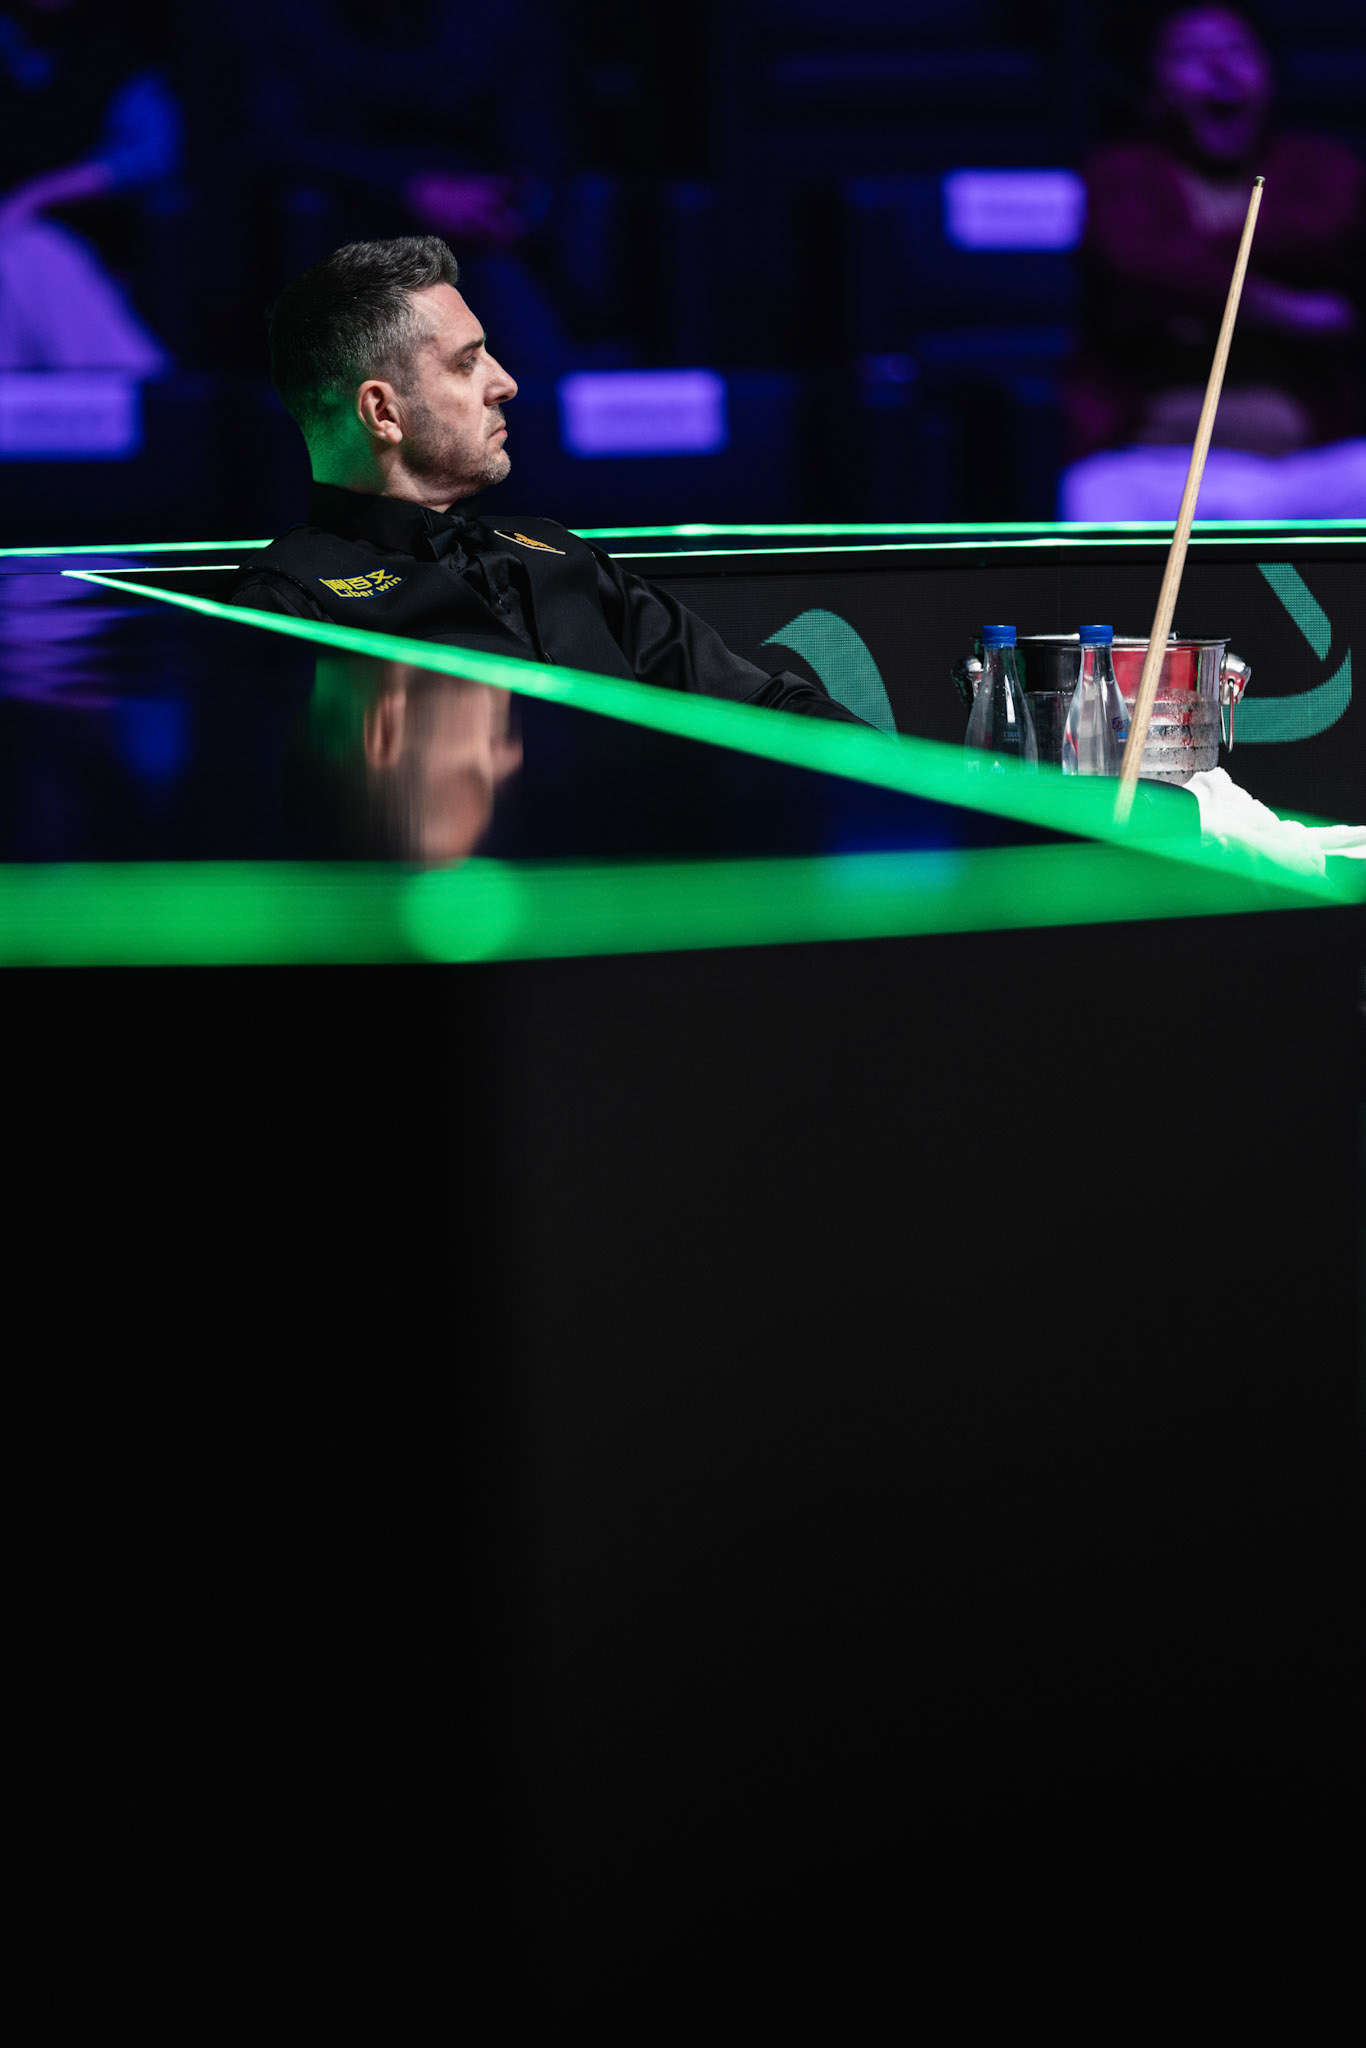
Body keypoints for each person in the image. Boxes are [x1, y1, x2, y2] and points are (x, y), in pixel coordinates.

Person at [232, 237, 865, 724]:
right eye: (466, 363)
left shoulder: (556, 551)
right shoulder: (293, 607)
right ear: (383, 412)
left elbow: (766, 705)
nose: (504, 382)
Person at [1059, 4, 1366, 520]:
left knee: (1315, 569)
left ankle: (1303, 608)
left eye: (1236, 50)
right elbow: (1137, 262)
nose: (1220, 68)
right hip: (1158, 468)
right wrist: (1291, 309)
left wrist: (1188, 284)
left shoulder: (1322, 169)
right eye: (1191, 54)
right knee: (1095, 498)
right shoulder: (1122, 172)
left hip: (1310, 466)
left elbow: (1326, 232)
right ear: (1151, 87)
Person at [0, 0, 179, 371]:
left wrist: (36, 195)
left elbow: (152, 154)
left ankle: (151, 408)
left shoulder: (119, 55)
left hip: (89, 253)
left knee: (31, 251)